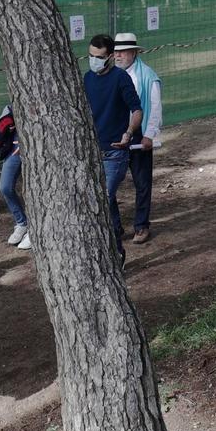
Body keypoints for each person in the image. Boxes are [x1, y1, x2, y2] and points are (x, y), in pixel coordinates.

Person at [83, 34, 143, 265]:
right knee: (106, 202)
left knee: (103, 198)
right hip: (93, 152)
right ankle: (116, 239)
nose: (93, 60)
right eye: (90, 56)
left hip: (115, 153)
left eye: (98, 57)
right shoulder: (87, 78)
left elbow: (136, 110)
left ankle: (116, 252)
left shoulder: (121, 78)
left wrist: (128, 134)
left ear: (109, 57)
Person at [112, 32, 164, 244]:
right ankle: (115, 226)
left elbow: (155, 108)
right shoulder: (110, 75)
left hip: (139, 135)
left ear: (134, 53)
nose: (118, 56)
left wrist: (149, 135)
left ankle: (141, 226)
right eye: (116, 52)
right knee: (109, 185)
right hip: (115, 135)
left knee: (142, 183)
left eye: (123, 52)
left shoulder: (148, 76)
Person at [0, 105, 29, 249]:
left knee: (32, 190)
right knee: (5, 187)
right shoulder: (10, 106)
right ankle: (22, 223)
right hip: (15, 148)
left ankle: (34, 230)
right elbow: (1, 126)